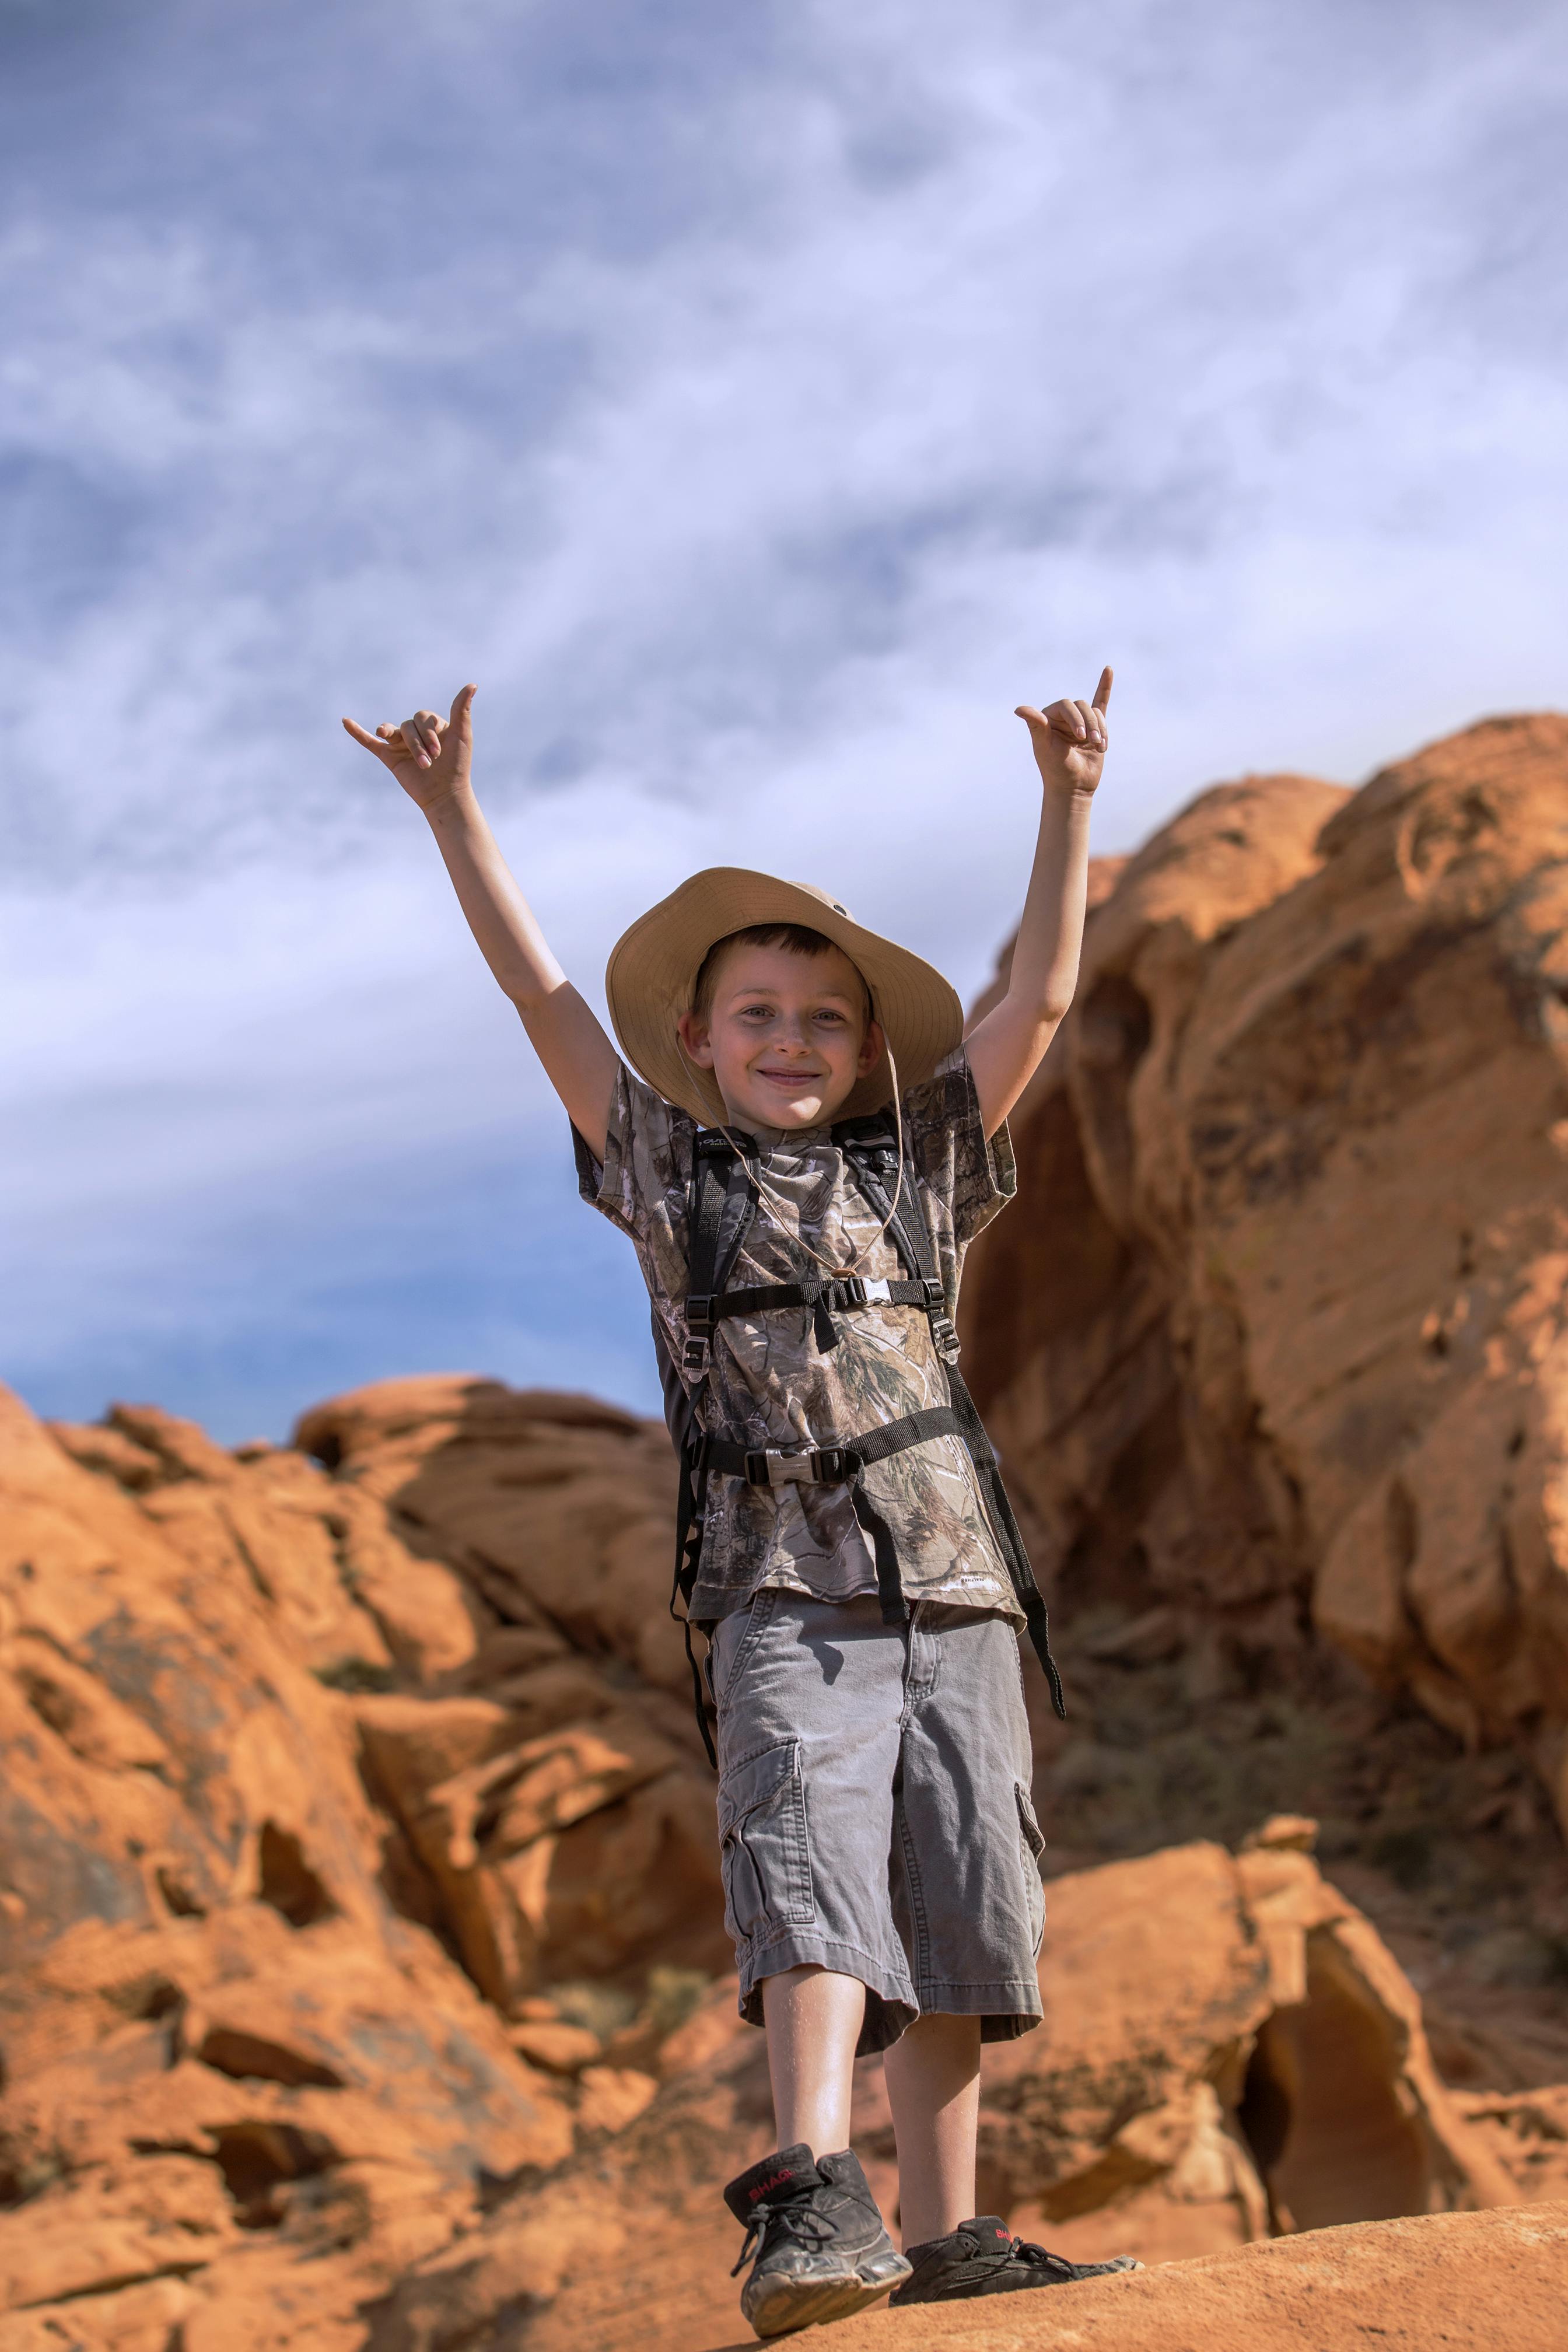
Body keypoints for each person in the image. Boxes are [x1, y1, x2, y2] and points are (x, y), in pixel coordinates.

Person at [344, 669, 1139, 2340]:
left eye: (823, 1020)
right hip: (782, 1586)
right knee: (811, 1868)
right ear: (701, 1043)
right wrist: (451, 814)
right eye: (757, 1017)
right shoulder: (667, 1169)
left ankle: (953, 2232)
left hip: (957, 1584)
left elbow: (1049, 1000)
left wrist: (1071, 799)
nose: (790, 1041)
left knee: (965, 1895)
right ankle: (810, 2189)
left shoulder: (913, 1170)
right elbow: (541, 993)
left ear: (864, 1053)